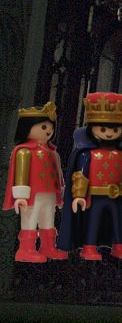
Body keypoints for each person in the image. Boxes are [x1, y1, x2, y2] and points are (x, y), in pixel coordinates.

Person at [58, 92, 122, 259]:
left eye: (114, 129)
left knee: (118, 221)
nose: (109, 133)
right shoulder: (87, 154)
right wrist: (79, 196)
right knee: (92, 221)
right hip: (94, 196)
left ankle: (119, 246)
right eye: (103, 129)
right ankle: (89, 247)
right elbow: (81, 175)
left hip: (118, 196)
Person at [3, 101, 67, 262]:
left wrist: (61, 193)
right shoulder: (24, 152)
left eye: (50, 127)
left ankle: (48, 246)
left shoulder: (53, 152)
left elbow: (58, 175)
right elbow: (21, 174)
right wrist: (21, 195)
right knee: (30, 219)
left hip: (50, 193)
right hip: (33, 194)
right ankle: (26, 249)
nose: (49, 131)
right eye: (44, 127)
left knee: (48, 219)